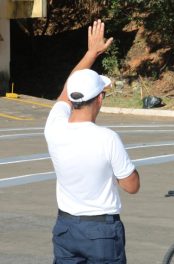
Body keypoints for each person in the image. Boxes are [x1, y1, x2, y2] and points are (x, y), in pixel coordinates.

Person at [44, 20, 140, 263]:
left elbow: (66, 91)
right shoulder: (107, 138)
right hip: (102, 232)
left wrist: (90, 54)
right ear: (99, 99)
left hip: (66, 227)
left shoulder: (54, 128)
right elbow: (131, 186)